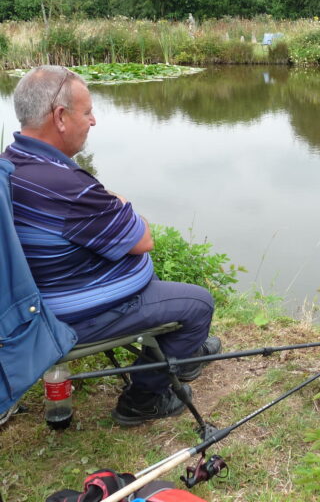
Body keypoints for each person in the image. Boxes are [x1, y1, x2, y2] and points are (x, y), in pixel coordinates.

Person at [0, 65, 221, 426]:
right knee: (198, 304)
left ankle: (185, 355)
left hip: (40, 301)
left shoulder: (11, 163)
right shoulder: (64, 186)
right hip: (66, 318)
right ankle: (143, 399)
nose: (93, 121)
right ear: (60, 117)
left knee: (179, 310)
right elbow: (142, 239)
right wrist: (117, 200)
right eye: (87, 112)